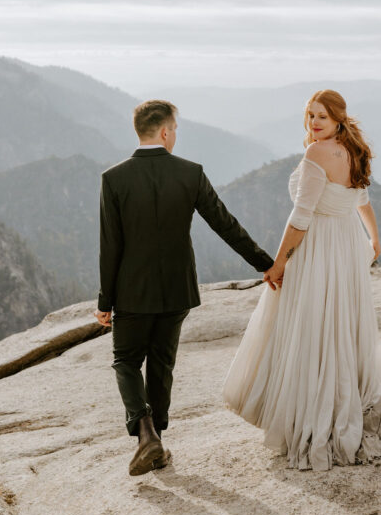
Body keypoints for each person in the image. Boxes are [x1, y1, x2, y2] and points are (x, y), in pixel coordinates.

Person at [223, 89, 381, 471]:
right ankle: (344, 394)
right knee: (339, 321)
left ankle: (314, 408)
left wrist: (278, 262)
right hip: (347, 246)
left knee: (312, 324)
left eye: (322, 115)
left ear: (339, 117)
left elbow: (301, 218)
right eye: (310, 115)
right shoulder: (353, 150)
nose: (314, 122)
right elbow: (363, 202)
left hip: (320, 247)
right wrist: (373, 239)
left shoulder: (315, 154)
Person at [94, 100, 275, 476]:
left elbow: (110, 246)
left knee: (126, 361)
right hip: (176, 291)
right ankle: (156, 440)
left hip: (133, 292)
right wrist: (266, 265)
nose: (175, 135)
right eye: (175, 129)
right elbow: (226, 225)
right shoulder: (190, 173)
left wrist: (105, 301)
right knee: (161, 364)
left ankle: (146, 436)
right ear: (164, 131)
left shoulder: (114, 179)